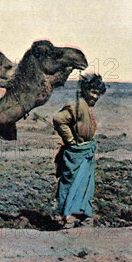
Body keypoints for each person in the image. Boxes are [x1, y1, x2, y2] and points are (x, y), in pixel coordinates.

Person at [53, 73, 106, 229]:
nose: (95, 97)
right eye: (93, 92)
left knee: (84, 185)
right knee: (70, 183)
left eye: (98, 94)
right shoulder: (76, 106)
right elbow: (58, 119)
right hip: (76, 153)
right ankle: (68, 216)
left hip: (84, 152)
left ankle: (81, 215)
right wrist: (70, 141)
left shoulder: (85, 107)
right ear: (85, 89)